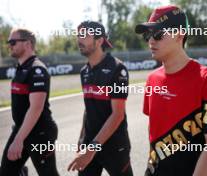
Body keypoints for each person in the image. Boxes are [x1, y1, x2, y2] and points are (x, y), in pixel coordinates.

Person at [135, 5, 207, 176]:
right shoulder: (152, 79)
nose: (151, 41)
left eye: (158, 34)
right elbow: (154, 131)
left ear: (179, 34)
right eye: (148, 34)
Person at [67, 21, 133, 176]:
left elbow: (117, 115)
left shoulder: (117, 69)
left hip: (115, 146)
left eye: (84, 35)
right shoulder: (84, 71)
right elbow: (88, 111)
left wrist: (91, 150)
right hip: (89, 144)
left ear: (99, 40)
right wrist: (82, 142)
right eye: (78, 35)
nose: (79, 39)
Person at [0, 29, 59, 176]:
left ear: (27, 44)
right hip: (21, 129)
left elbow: (36, 108)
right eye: (9, 43)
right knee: (6, 172)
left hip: (40, 133)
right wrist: (19, 135)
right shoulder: (21, 68)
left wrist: (18, 140)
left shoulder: (37, 69)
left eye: (13, 42)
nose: (9, 45)